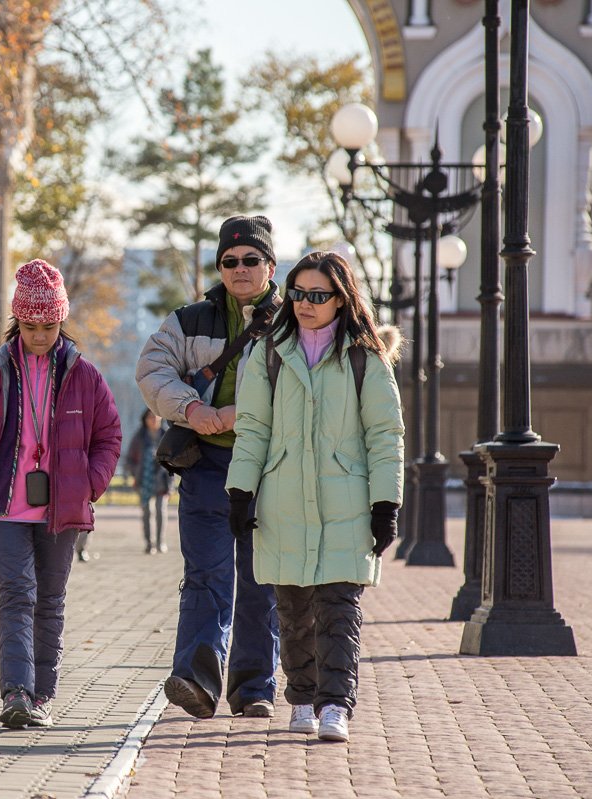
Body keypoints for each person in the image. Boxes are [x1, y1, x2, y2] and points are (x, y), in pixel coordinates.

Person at [226, 250, 404, 743]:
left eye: (317, 295)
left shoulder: (364, 357)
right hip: (282, 499)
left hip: (345, 501)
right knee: (294, 610)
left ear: (341, 299)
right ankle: (302, 698)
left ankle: (334, 706)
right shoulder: (268, 353)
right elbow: (253, 428)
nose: (305, 303)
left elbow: (385, 435)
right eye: (299, 293)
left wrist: (385, 503)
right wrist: (240, 491)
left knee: (338, 607)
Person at [0, 258, 122, 729]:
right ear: (17, 321)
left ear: (62, 319)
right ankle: (17, 694)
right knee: (16, 594)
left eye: (49, 325)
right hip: (3, 508)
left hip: (60, 508)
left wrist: (90, 484)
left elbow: (109, 436)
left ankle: (42, 695)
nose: (40, 335)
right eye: (30, 325)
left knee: (50, 599)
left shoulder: (85, 376)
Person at [135, 214, 283, 719]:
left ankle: (254, 688)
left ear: (270, 264)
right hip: (206, 465)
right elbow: (152, 369)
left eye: (251, 260)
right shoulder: (188, 320)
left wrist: (241, 414)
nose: (240, 269)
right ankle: (197, 678)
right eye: (229, 261)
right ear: (219, 266)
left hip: (270, 466)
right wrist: (194, 410)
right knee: (205, 574)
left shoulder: (295, 320)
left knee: (262, 577)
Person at [125, 409, 173, 554]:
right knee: (147, 512)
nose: (153, 420)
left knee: (160, 510)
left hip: (162, 479)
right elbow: (129, 460)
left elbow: (175, 457)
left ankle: (160, 542)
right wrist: (136, 473)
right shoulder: (139, 437)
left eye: (155, 417)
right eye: (150, 417)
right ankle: (149, 543)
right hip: (144, 481)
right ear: (145, 420)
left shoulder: (167, 435)